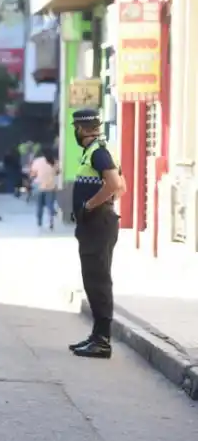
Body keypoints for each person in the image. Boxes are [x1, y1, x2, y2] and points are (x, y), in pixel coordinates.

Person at [68, 109, 126, 359]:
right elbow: (121, 187)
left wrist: (90, 206)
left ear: (80, 129)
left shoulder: (98, 152)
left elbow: (115, 185)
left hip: (97, 223)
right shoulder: (101, 150)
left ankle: (102, 341)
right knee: (93, 279)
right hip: (97, 223)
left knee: (98, 280)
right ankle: (97, 336)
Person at [29, 148, 60, 229]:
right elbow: (58, 172)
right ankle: (51, 222)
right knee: (50, 205)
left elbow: (33, 174)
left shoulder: (37, 161)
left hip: (39, 186)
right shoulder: (54, 161)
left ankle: (39, 223)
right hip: (51, 186)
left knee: (39, 205)